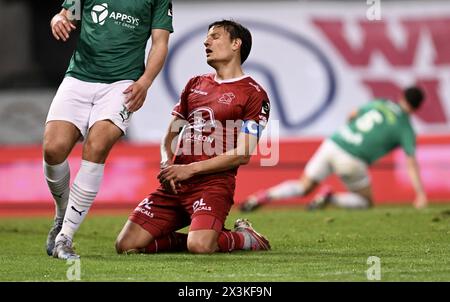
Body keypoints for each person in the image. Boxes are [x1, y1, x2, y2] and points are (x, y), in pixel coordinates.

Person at [115, 20, 271, 255]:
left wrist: (190, 169)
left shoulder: (254, 94)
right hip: (176, 183)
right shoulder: (195, 84)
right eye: (207, 38)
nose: (206, 42)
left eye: (215, 36)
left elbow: (242, 154)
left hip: (213, 185)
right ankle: (201, 234)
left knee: (200, 246)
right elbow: (170, 134)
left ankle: (245, 237)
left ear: (236, 44)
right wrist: (167, 162)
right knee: (125, 244)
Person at [44, 0, 174, 259]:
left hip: (122, 83)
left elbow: (160, 42)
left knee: (97, 145)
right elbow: (65, 15)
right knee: (53, 149)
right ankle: (61, 214)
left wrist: (145, 82)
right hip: (79, 78)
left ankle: (65, 237)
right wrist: (58, 20)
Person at [240, 87, 428, 212]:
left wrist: (349, 133)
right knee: (366, 202)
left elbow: (353, 113)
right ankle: (331, 198)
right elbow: (411, 163)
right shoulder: (406, 128)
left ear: (402, 96)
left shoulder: (381, 103)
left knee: (303, 186)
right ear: (418, 108)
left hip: (333, 143)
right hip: (353, 158)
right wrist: (420, 194)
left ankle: (265, 196)